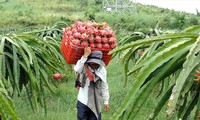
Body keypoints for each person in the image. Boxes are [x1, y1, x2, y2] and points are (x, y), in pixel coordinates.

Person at [74, 47, 110, 120]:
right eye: (92, 62)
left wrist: (106, 101)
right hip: (83, 101)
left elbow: (104, 86)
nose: (94, 64)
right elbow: (76, 69)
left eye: (96, 63)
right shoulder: (83, 66)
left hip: (96, 101)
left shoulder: (102, 70)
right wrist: (85, 56)